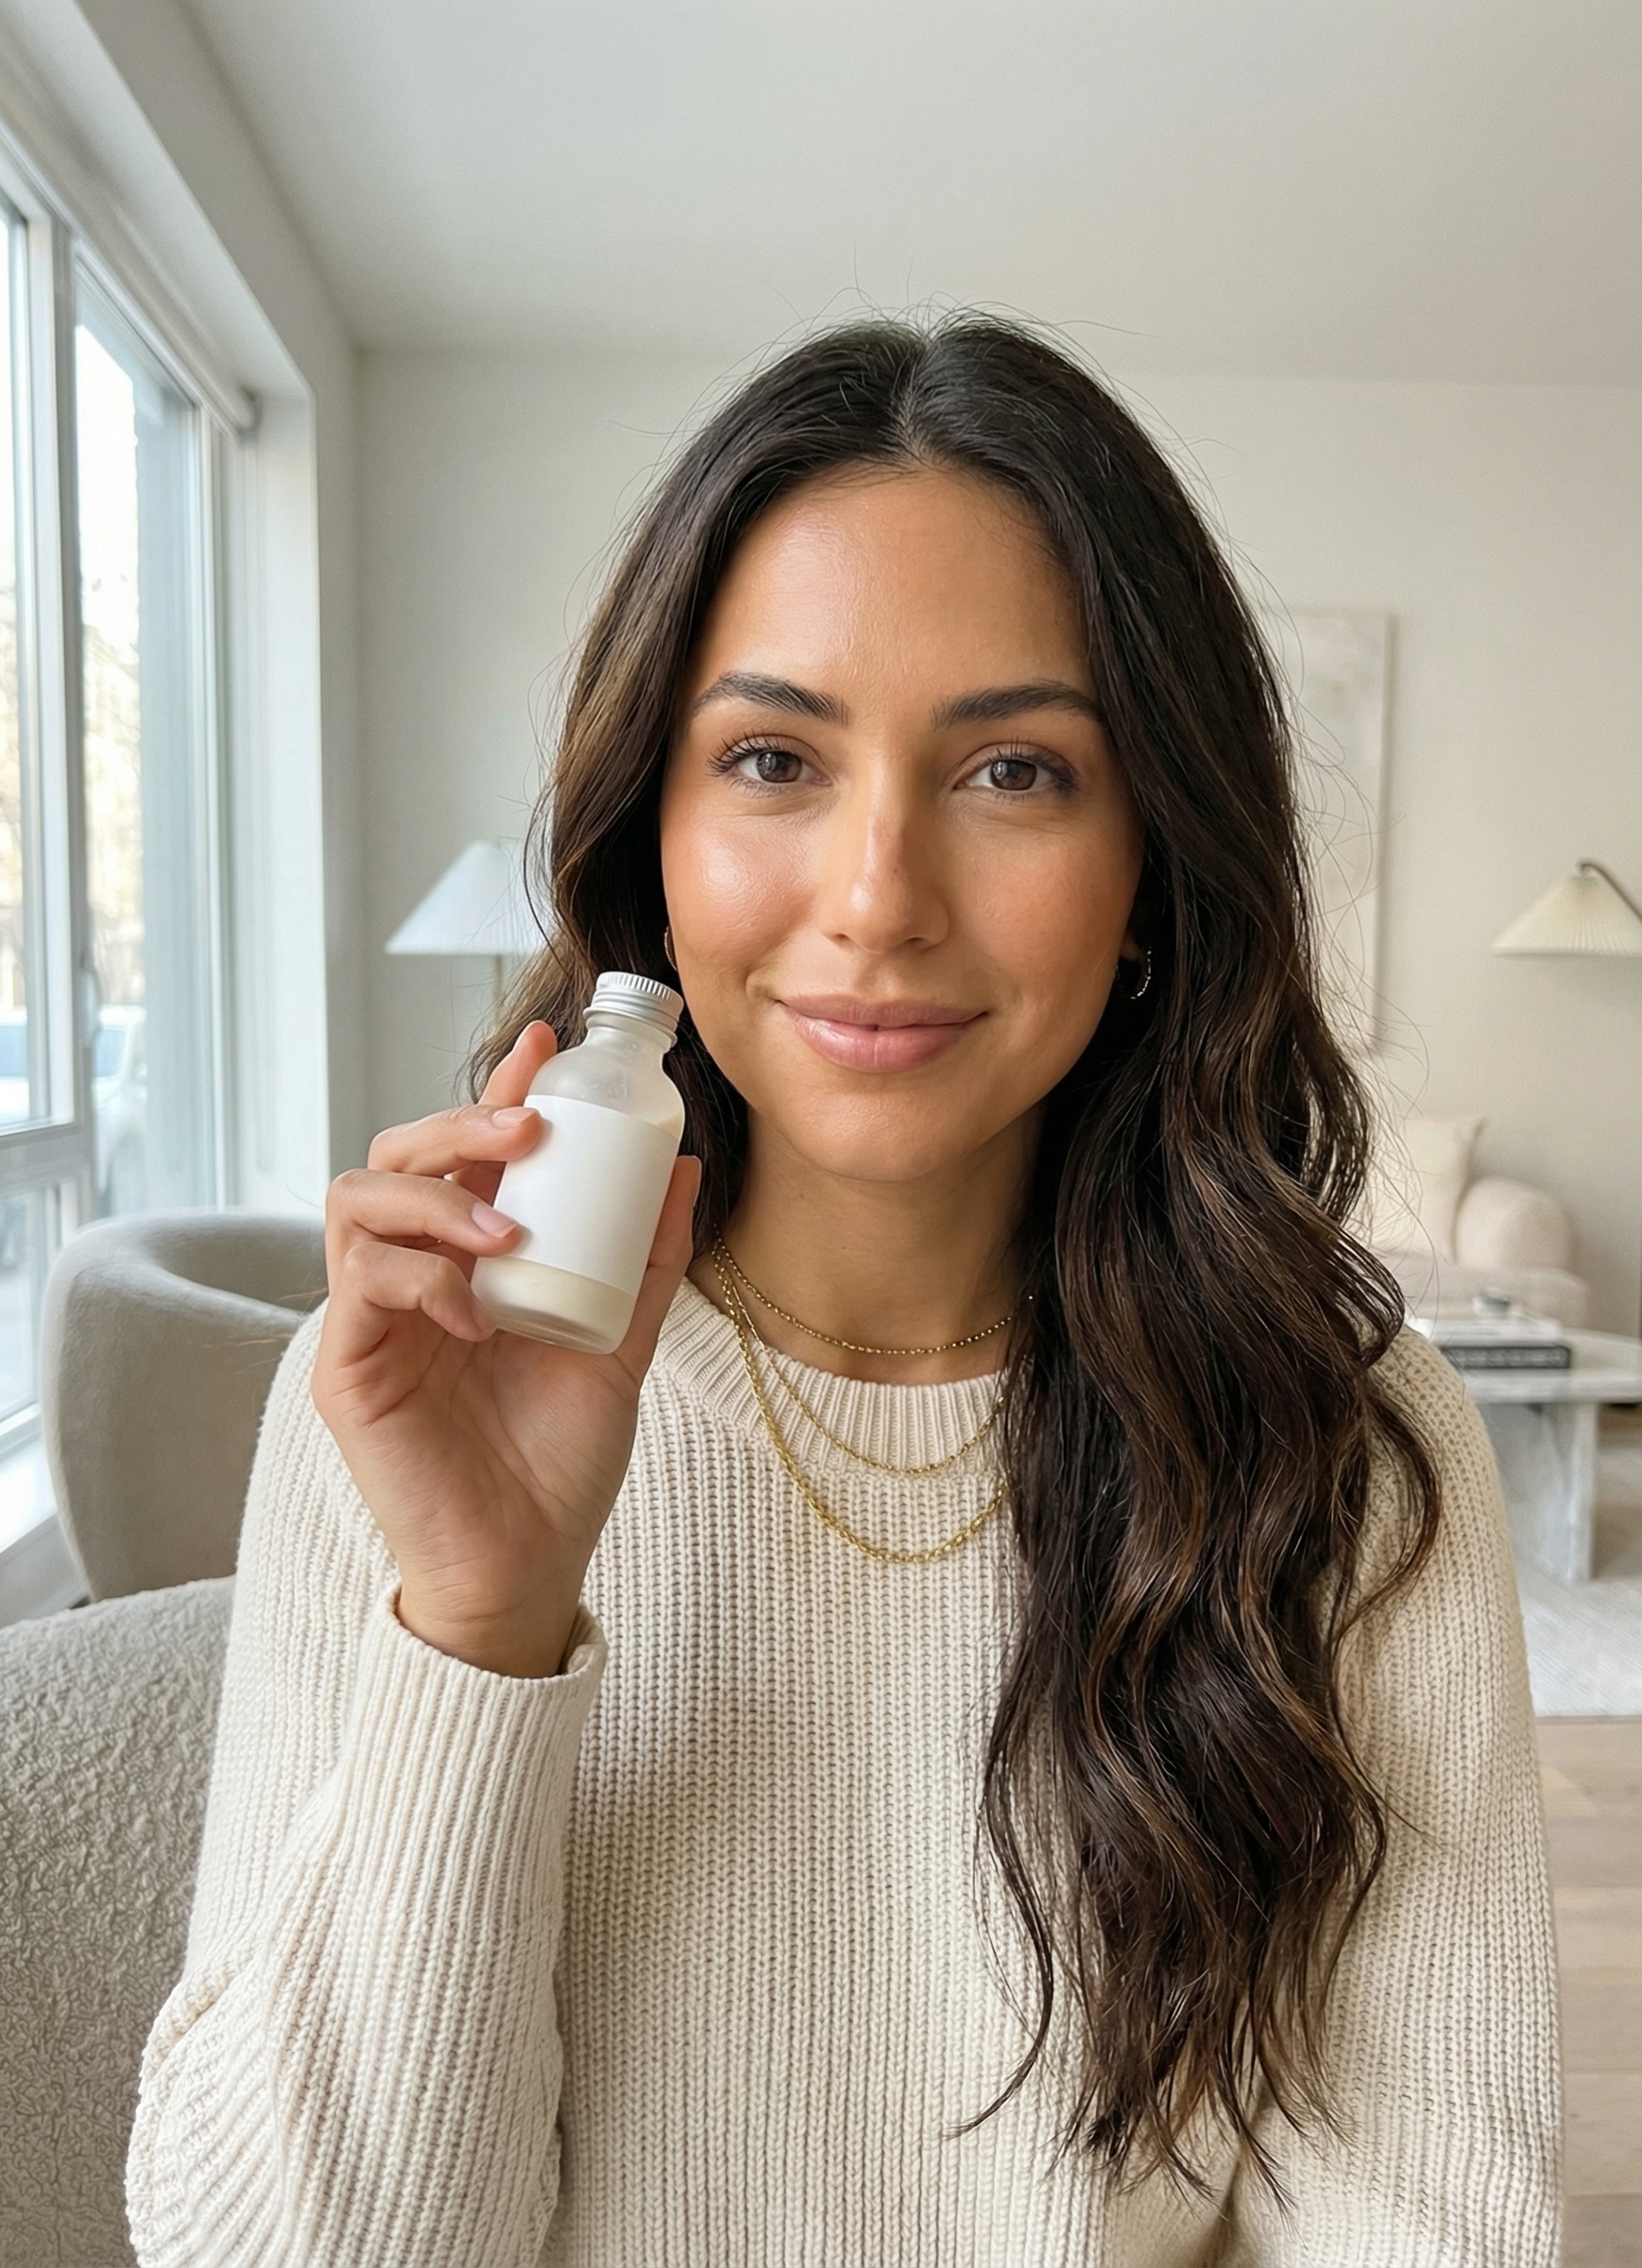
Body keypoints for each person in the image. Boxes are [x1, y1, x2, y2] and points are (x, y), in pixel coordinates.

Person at [127, 316, 1560, 2266]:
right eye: (774, 757)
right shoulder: (405, 1394)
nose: (877, 895)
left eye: (1010, 769)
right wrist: (480, 1618)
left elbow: (1429, 2220)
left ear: (1150, 865)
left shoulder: (1348, 1451)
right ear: (657, 832)